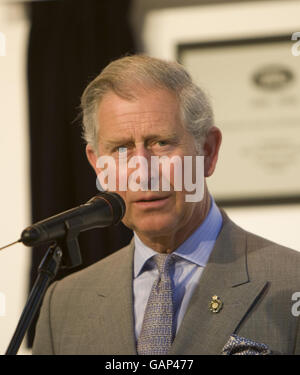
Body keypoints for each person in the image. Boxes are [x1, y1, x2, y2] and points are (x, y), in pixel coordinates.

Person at [32, 55, 300, 355]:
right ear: (98, 165)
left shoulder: (292, 281)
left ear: (208, 151)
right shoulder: (63, 305)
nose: (143, 173)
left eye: (161, 143)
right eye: (121, 149)